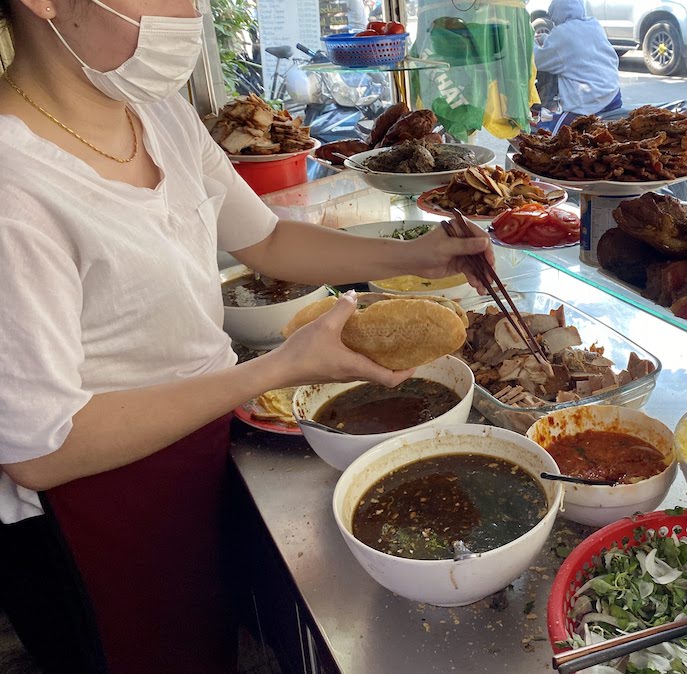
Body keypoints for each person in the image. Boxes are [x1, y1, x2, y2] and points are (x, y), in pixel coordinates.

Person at [0, 1, 494, 672]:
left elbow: (267, 239)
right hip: (90, 503)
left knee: (206, 639)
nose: (192, 11)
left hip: (195, 446)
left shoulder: (156, 111)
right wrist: (272, 371)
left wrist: (419, 256)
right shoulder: (15, 184)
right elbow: (42, 448)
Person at [532, 0, 622, 132]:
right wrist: (547, 39)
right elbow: (574, 49)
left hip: (588, 104)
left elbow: (537, 59)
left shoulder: (562, 33)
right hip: (613, 96)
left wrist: (529, 43)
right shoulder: (593, 24)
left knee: (549, 138)